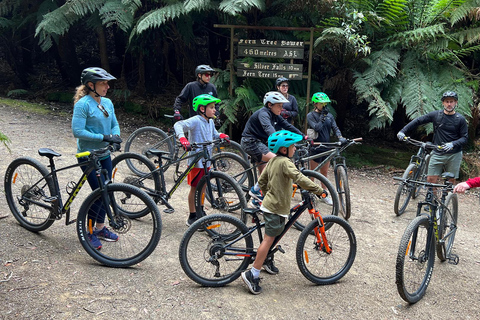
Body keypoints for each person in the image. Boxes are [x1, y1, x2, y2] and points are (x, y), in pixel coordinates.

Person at [241, 130, 325, 294]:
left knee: (277, 233)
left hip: (272, 205)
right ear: (284, 149)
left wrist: (268, 194)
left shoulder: (272, 161)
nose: (294, 148)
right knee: (269, 239)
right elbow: (299, 178)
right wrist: (318, 189)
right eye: (292, 146)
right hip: (275, 207)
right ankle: (253, 273)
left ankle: (265, 260)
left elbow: (263, 181)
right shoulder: (286, 163)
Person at [72, 67, 122, 250]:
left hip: (104, 154)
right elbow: (78, 131)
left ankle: (100, 228)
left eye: (107, 83)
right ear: (91, 85)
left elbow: (114, 123)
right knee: (99, 194)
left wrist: (114, 137)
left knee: (106, 191)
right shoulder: (83, 104)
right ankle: (90, 231)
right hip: (88, 156)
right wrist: (104, 137)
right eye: (103, 83)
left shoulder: (107, 102)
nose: (107, 87)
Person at [240, 91, 308, 206]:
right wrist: (281, 142)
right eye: (279, 106)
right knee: (276, 160)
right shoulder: (263, 114)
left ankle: (256, 201)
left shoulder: (275, 115)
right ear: (270, 105)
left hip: (261, 143)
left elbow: (288, 126)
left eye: (282, 106)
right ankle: (255, 191)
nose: (281, 108)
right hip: (250, 142)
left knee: (265, 174)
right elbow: (269, 129)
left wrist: (303, 136)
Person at [174, 94, 230, 226]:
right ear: (202, 109)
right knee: (195, 188)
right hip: (196, 162)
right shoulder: (196, 120)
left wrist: (220, 135)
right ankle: (192, 215)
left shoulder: (210, 121)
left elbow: (213, 134)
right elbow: (178, 125)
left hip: (207, 160)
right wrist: (183, 138)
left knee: (204, 186)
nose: (215, 109)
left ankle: (200, 210)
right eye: (211, 107)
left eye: (214, 107)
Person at [397, 91, 468, 183]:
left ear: (456, 103)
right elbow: (418, 120)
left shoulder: (460, 119)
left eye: (451, 101)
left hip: (454, 154)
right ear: (443, 103)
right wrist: (402, 131)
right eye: (447, 101)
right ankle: (433, 197)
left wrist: (452, 144)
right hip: (437, 152)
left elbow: (465, 138)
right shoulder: (436, 115)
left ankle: (448, 197)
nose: (449, 104)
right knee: (430, 180)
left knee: (450, 181)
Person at [307, 92, 346, 205]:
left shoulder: (329, 115)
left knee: (324, 173)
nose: (323, 105)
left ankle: (324, 195)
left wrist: (340, 137)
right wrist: (322, 117)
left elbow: (335, 127)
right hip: (315, 147)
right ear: (315, 103)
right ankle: (310, 194)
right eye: (321, 103)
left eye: (325, 103)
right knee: (312, 173)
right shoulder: (311, 116)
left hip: (327, 146)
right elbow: (317, 128)